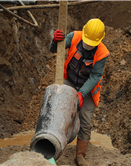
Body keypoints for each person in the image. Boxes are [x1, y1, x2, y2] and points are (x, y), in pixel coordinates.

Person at [50, 18, 110, 166]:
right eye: (87, 41)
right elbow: (53, 50)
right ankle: (50, 145)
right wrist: (54, 41)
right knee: (56, 108)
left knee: (85, 120)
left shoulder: (102, 52)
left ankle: (80, 156)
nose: (88, 45)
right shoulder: (73, 37)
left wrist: (81, 93)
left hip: (87, 88)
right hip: (68, 81)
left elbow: (96, 76)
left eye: (92, 43)